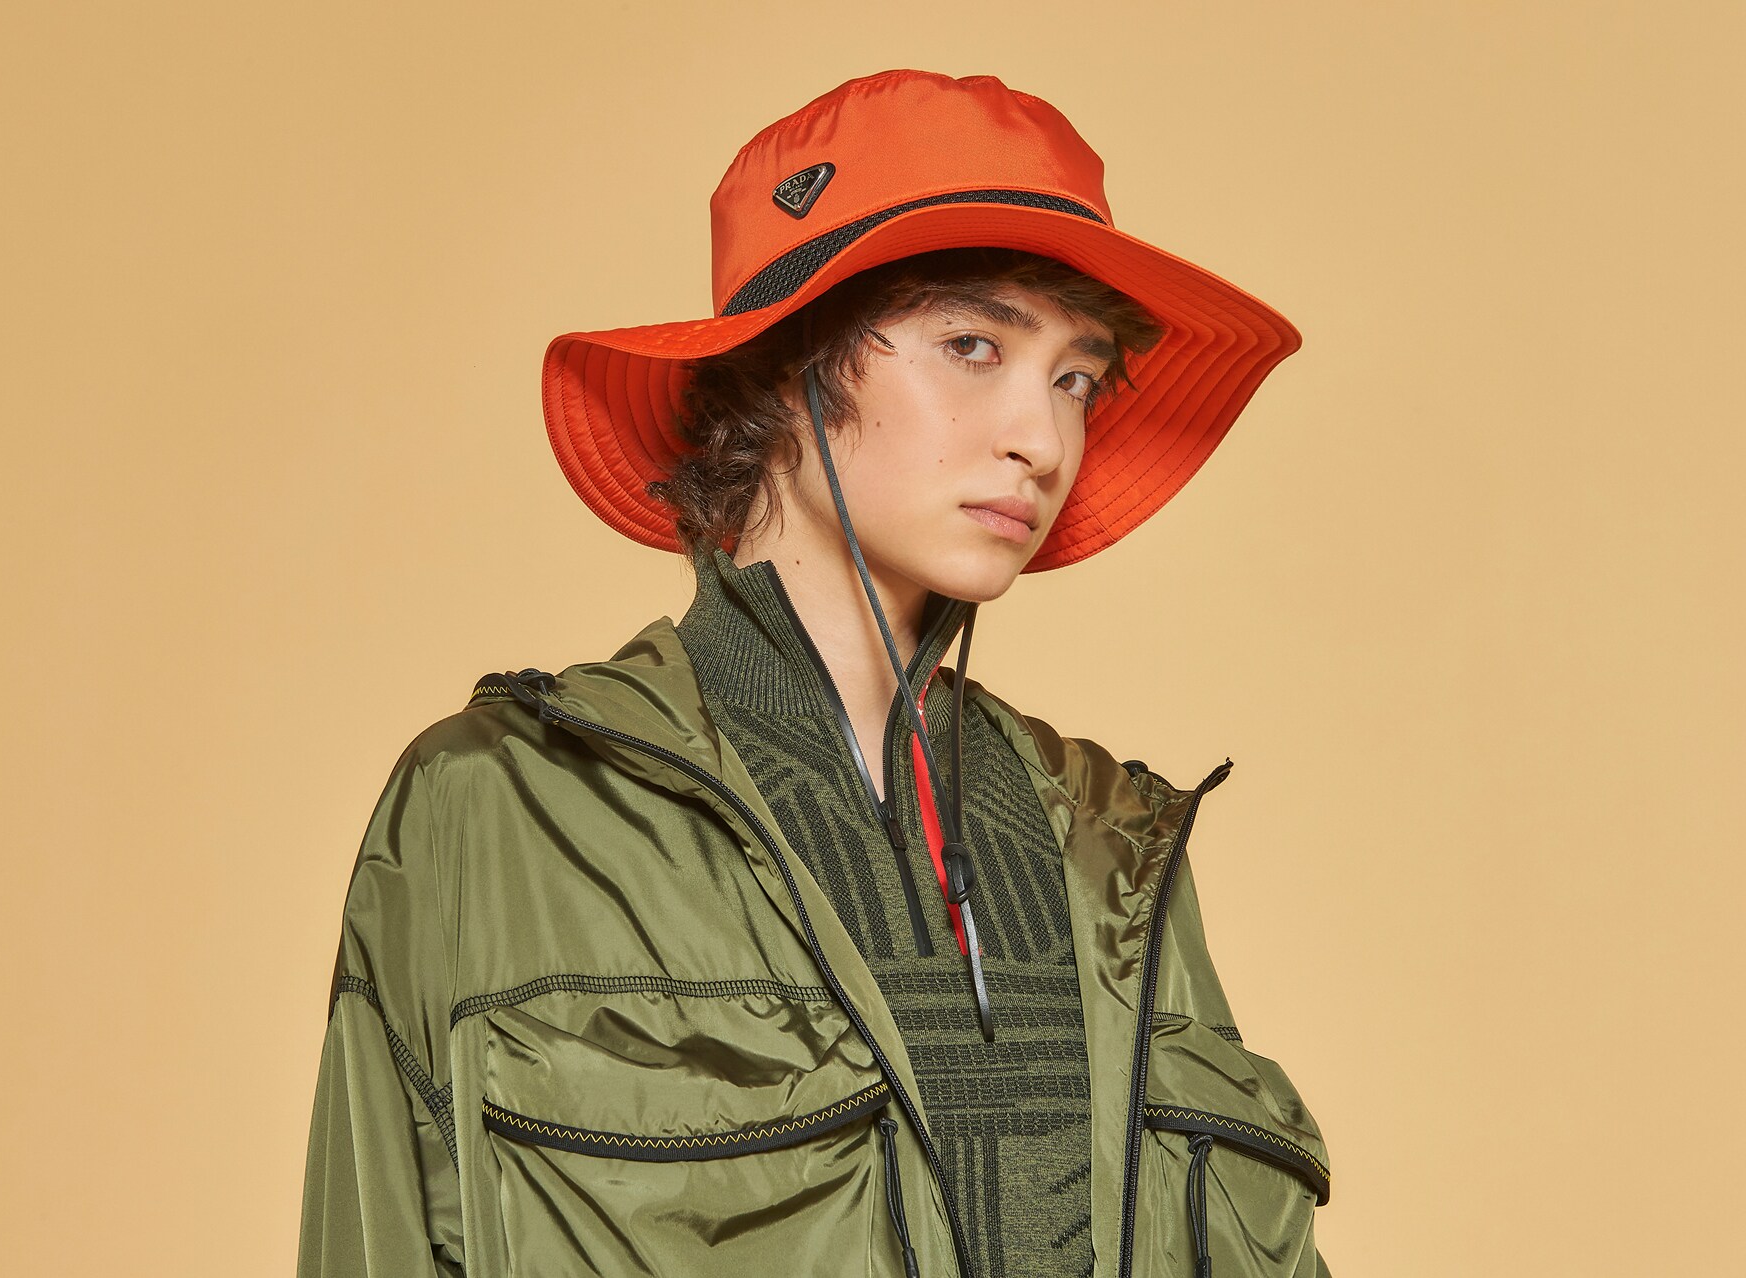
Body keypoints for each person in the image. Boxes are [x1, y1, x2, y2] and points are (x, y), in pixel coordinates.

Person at [298, 69, 1332, 1278]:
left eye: (1076, 379)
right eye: (972, 346)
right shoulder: (502, 809)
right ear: (784, 363)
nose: (1043, 440)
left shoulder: (1112, 843)